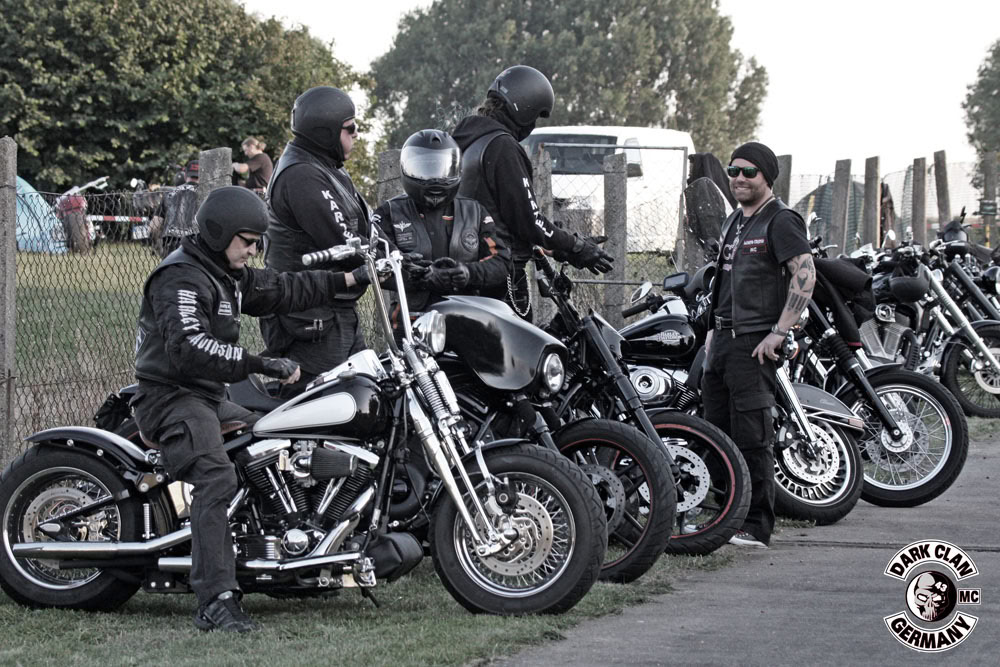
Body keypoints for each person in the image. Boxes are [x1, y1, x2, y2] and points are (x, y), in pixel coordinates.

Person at [132, 186, 368, 633]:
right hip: (170, 397)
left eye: (258, 242)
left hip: (207, 397)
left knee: (273, 447)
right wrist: (261, 363)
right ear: (219, 232)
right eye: (247, 241)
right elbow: (189, 347)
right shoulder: (180, 277)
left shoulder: (226, 273)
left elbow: (283, 288)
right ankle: (216, 599)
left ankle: (284, 559)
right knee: (215, 477)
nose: (253, 250)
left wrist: (349, 279)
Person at [701, 141, 815, 549]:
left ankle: (755, 524)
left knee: (752, 436)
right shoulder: (734, 220)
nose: (739, 178)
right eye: (733, 171)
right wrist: (712, 330)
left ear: (767, 177)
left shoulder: (781, 220)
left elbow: (805, 273)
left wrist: (780, 331)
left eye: (749, 172)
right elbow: (724, 279)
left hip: (754, 341)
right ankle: (726, 515)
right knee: (717, 433)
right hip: (722, 339)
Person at [451, 65, 613, 321]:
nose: (534, 126)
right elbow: (529, 220)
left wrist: (559, 246)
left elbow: (497, 212)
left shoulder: (466, 141)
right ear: (524, 109)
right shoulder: (502, 146)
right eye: (535, 117)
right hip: (501, 274)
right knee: (522, 346)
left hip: (467, 268)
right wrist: (576, 246)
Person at [262, 86, 371, 396]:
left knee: (361, 395)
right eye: (350, 127)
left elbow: (365, 227)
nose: (356, 134)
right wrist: (381, 261)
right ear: (326, 133)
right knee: (319, 403)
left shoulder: (326, 167)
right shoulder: (302, 175)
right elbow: (345, 242)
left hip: (333, 309)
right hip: (311, 317)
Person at [372, 129, 510, 317]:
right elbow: (375, 262)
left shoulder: (475, 212)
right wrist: (421, 277)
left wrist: (468, 273)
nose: (435, 178)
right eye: (425, 168)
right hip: (410, 319)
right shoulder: (389, 212)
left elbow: (501, 261)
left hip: (466, 317)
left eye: (440, 167)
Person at [150, 160, 199, 258]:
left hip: (171, 247)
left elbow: (154, 227)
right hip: (197, 248)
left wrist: (158, 247)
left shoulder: (169, 194)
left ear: (185, 175)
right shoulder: (206, 195)